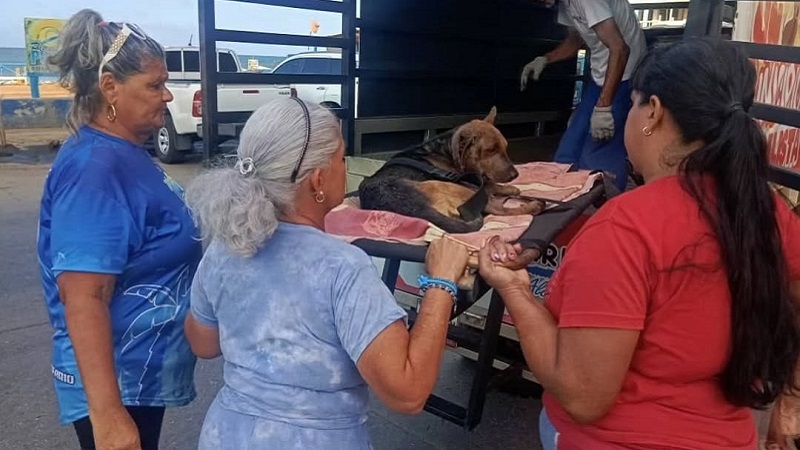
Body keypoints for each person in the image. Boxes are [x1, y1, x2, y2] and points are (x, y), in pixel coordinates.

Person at [482, 37, 800, 449]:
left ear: (653, 112)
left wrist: (516, 291)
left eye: (632, 103)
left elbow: (583, 397)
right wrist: (790, 401)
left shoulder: (625, 228)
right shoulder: (765, 210)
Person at [183, 97, 471, 450]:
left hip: (227, 436)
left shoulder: (225, 249)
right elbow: (407, 393)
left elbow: (203, 343)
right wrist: (441, 283)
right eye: (342, 158)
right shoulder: (343, 268)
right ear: (318, 180)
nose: (345, 167)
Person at [37, 9, 201, 450]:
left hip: (138, 379)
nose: (166, 95)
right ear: (110, 87)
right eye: (154, 85)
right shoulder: (94, 169)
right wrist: (108, 417)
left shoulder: (124, 151)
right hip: (117, 387)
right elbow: (83, 295)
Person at [521, 0, 647, 191]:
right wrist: (544, 59)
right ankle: (560, 199)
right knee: (568, 151)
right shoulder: (565, 4)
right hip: (600, 75)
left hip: (624, 74)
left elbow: (620, 49)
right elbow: (575, 40)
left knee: (598, 151)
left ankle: (599, 201)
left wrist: (604, 107)